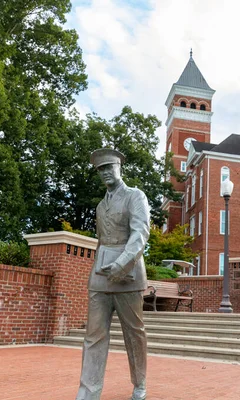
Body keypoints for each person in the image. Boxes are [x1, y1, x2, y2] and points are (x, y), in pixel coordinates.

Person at [76, 148, 150, 400]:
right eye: (100, 170)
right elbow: (101, 241)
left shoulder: (135, 196)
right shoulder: (100, 205)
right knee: (93, 335)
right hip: (100, 274)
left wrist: (122, 264)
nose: (105, 173)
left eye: (109, 167)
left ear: (119, 167)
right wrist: (99, 268)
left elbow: (140, 233)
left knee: (134, 333)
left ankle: (139, 383)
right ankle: (88, 393)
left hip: (128, 274)